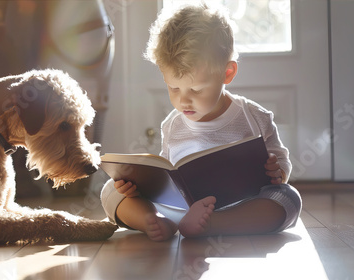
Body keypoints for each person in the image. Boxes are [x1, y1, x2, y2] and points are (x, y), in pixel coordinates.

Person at [101, 3, 301, 241]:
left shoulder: (255, 116)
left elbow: (281, 166)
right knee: (110, 191)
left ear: (227, 73)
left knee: (287, 199)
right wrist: (136, 188)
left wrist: (278, 171)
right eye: (173, 87)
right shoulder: (172, 124)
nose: (183, 100)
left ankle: (214, 224)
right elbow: (168, 176)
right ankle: (152, 220)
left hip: (239, 207)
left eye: (196, 89)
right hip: (179, 212)